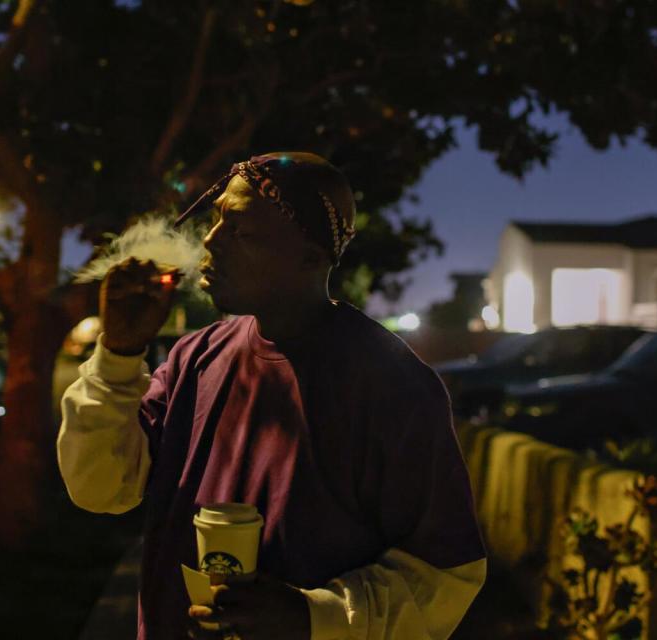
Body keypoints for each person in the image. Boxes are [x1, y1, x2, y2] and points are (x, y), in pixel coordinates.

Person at [57, 152, 486, 639]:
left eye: (240, 231)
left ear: (310, 256)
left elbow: (447, 575)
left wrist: (311, 616)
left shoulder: (392, 385)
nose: (210, 242)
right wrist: (117, 354)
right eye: (216, 219)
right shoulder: (194, 359)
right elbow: (99, 489)